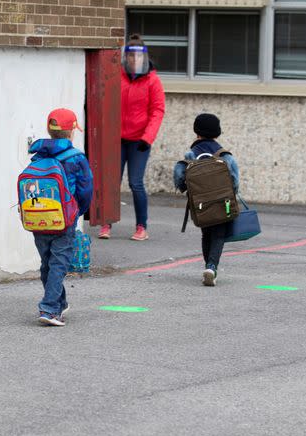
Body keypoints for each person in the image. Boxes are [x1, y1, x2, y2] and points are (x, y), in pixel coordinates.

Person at [28, 108, 93, 326]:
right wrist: (78, 211)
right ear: (72, 131)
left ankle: (59, 303)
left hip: (38, 218)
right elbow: (85, 190)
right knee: (59, 263)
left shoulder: (38, 156)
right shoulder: (76, 158)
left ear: (49, 129)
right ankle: (49, 309)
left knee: (48, 263)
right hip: (64, 218)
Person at [99, 34, 166, 241]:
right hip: (117, 139)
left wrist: (148, 138)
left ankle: (141, 227)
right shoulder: (116, 76)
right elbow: (106, 102)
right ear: (126, 57)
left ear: (144, 58)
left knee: (135, 183)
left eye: (138, 57)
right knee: (112, 182)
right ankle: (106, 223)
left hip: (139, 141)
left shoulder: (152, 80)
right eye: (130, 56)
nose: (134, 60)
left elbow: (157, 110)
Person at [173, 113, 239, 287]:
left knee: (206, 234)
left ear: (197, 133)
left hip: (200, 204)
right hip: (222, 203)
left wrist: (185, 189)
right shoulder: (224, 155)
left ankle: (208, 267)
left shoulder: (191, 153)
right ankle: (212, 266)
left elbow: (179, 175)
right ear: (217, 133)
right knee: (219, 234)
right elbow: (235, 179)